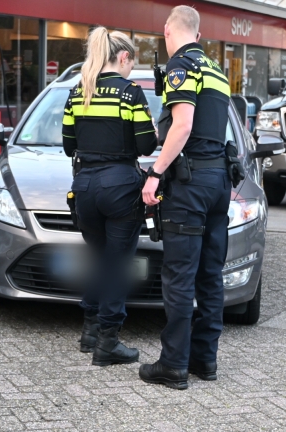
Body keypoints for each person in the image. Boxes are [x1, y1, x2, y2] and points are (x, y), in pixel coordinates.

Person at [138, 5, 232, 389]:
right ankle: (204, 361)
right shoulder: (217, 72)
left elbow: (183, 125)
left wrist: (155, 173)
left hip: (189, 186)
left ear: (167, 31)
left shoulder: (182, 67)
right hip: (218, 183)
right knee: (211, 275)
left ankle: (173, 365)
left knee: (179, 276)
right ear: (199, 33)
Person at [62, 27, 157, 367]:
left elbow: (69, 145)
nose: (132, 68)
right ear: (123, 57)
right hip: (120, 187)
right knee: (117, 266)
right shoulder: (130, 93)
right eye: (132, 61)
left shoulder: (78, 91)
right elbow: (147, 145)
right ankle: (108, 343)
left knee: (101, 260)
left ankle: (89, 331)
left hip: (84, 186)